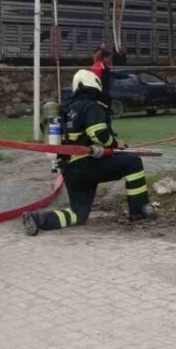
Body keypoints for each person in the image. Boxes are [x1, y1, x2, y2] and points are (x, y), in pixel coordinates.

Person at [22, 70, 155, 235]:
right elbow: (98, 134)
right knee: (133, 163)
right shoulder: (91, 106)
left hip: (70, 169)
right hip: (90, 165)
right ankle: (139, 211)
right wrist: (115, 143)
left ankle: (38, 219)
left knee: (78, 215)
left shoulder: (64, 110)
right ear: (94, 86)